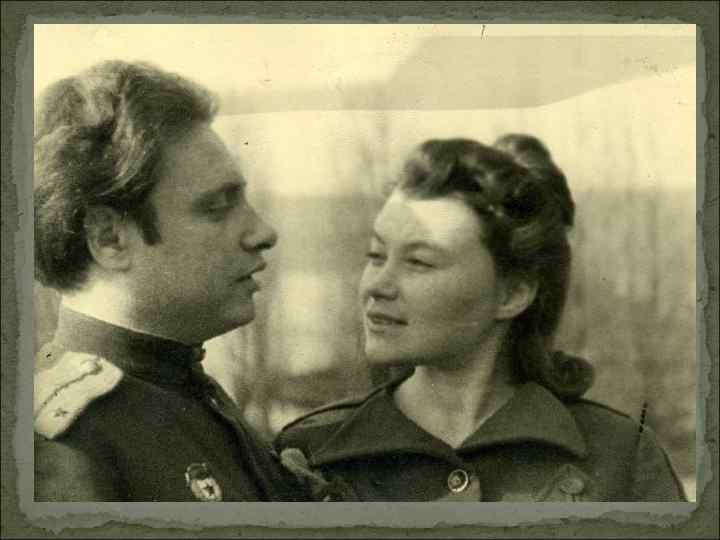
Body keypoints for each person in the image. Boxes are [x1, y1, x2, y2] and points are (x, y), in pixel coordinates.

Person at [275, 135, 688, 502]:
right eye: (376, 255)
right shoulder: (310, 454)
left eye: (419, 262)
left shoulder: (620, 457)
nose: (376, 286)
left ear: (512, 294)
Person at [33, 60, 308, 501]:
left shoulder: (187, 391)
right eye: (217, 207)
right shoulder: (65, 448)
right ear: (109, 238)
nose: (263, 232)